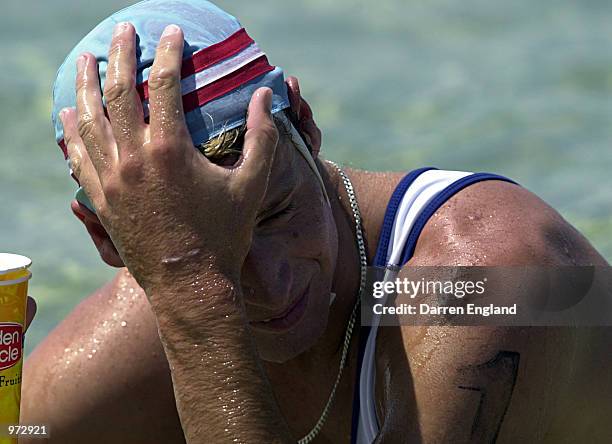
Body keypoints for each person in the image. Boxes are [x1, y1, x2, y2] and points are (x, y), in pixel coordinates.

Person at [21, 1, 612, 443]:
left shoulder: (487, 277)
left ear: (304, 126)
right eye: (220, 252)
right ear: (110, 241)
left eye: (276, 212)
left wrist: (195, 297)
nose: (271, 283)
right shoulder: (184, 288)